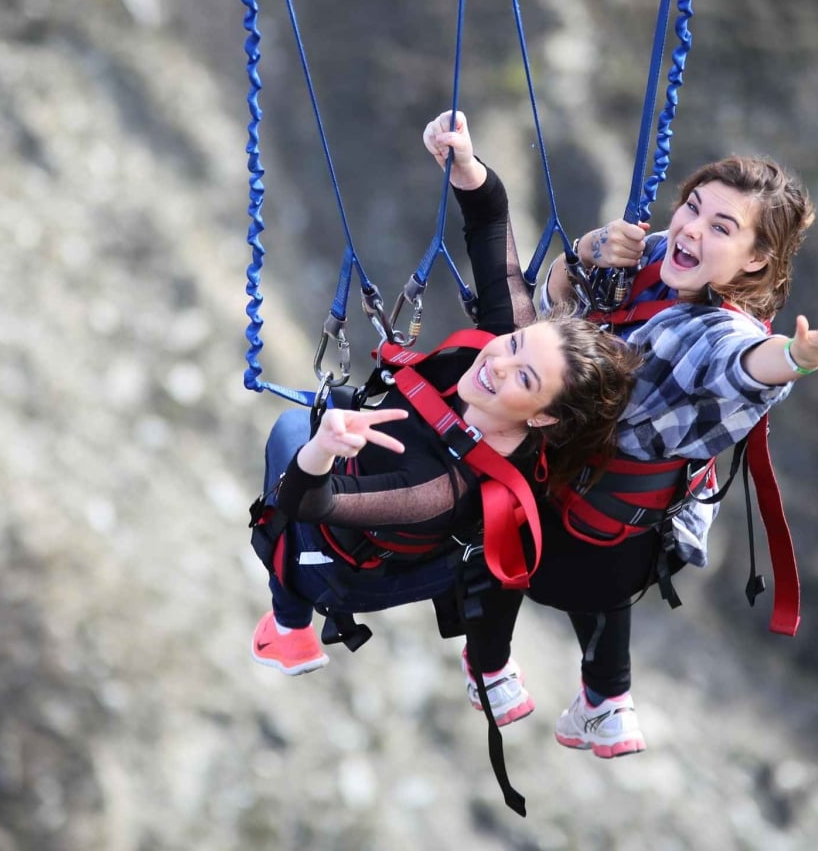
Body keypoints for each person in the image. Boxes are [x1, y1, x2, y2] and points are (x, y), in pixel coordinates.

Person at [463, 139, 818, 758]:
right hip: (615, 540)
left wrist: (799, 357)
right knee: (529, 473)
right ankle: (607, 699)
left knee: (473, 505)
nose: (690, 228)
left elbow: (746, 363)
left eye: (722, 227)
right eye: (692, 207)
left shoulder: (720, 331)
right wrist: (586, 252)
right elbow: (554, 312)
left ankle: (490, 668)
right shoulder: (656, 256)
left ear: (755, 260)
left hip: (576, 537)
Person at [249, 113, 641, 728]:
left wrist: (320, 450)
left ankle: (289, 621)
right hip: (390, 473)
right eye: (515, 345)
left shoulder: (439, 488)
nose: (498, 364)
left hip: (349, 568)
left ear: (542, 417)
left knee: (291, 432)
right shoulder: (507, 344)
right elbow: (491, 225)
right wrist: (465, 166)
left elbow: (308, 503)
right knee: (334, 407)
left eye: (525, 379)